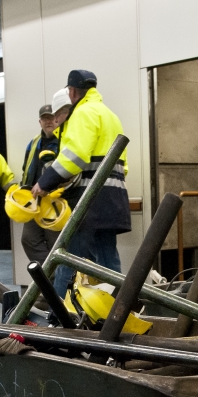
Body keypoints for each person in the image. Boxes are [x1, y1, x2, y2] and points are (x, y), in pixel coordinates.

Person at [34, 70, 131, 294]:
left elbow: (74, 157)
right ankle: (116, 307)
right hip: (113, 198)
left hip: (89, 200)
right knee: (108, 259)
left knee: (67, 256)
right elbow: (123, 165)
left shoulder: (83, 113)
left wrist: (45, 182)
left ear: (73, 91)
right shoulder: (109, 115)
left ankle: (58, 314)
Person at [19, 101, 62, 266]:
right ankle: (50, 278)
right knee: (28, 239)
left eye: (51, 117)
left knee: (54, 242)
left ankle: (57, 283)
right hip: (35, 199)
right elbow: (26, 169)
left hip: (56, 200)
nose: (48, 121)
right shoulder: (34, 143)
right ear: (40, 122)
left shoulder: (64, 140)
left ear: (57, 119)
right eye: (44, 118)